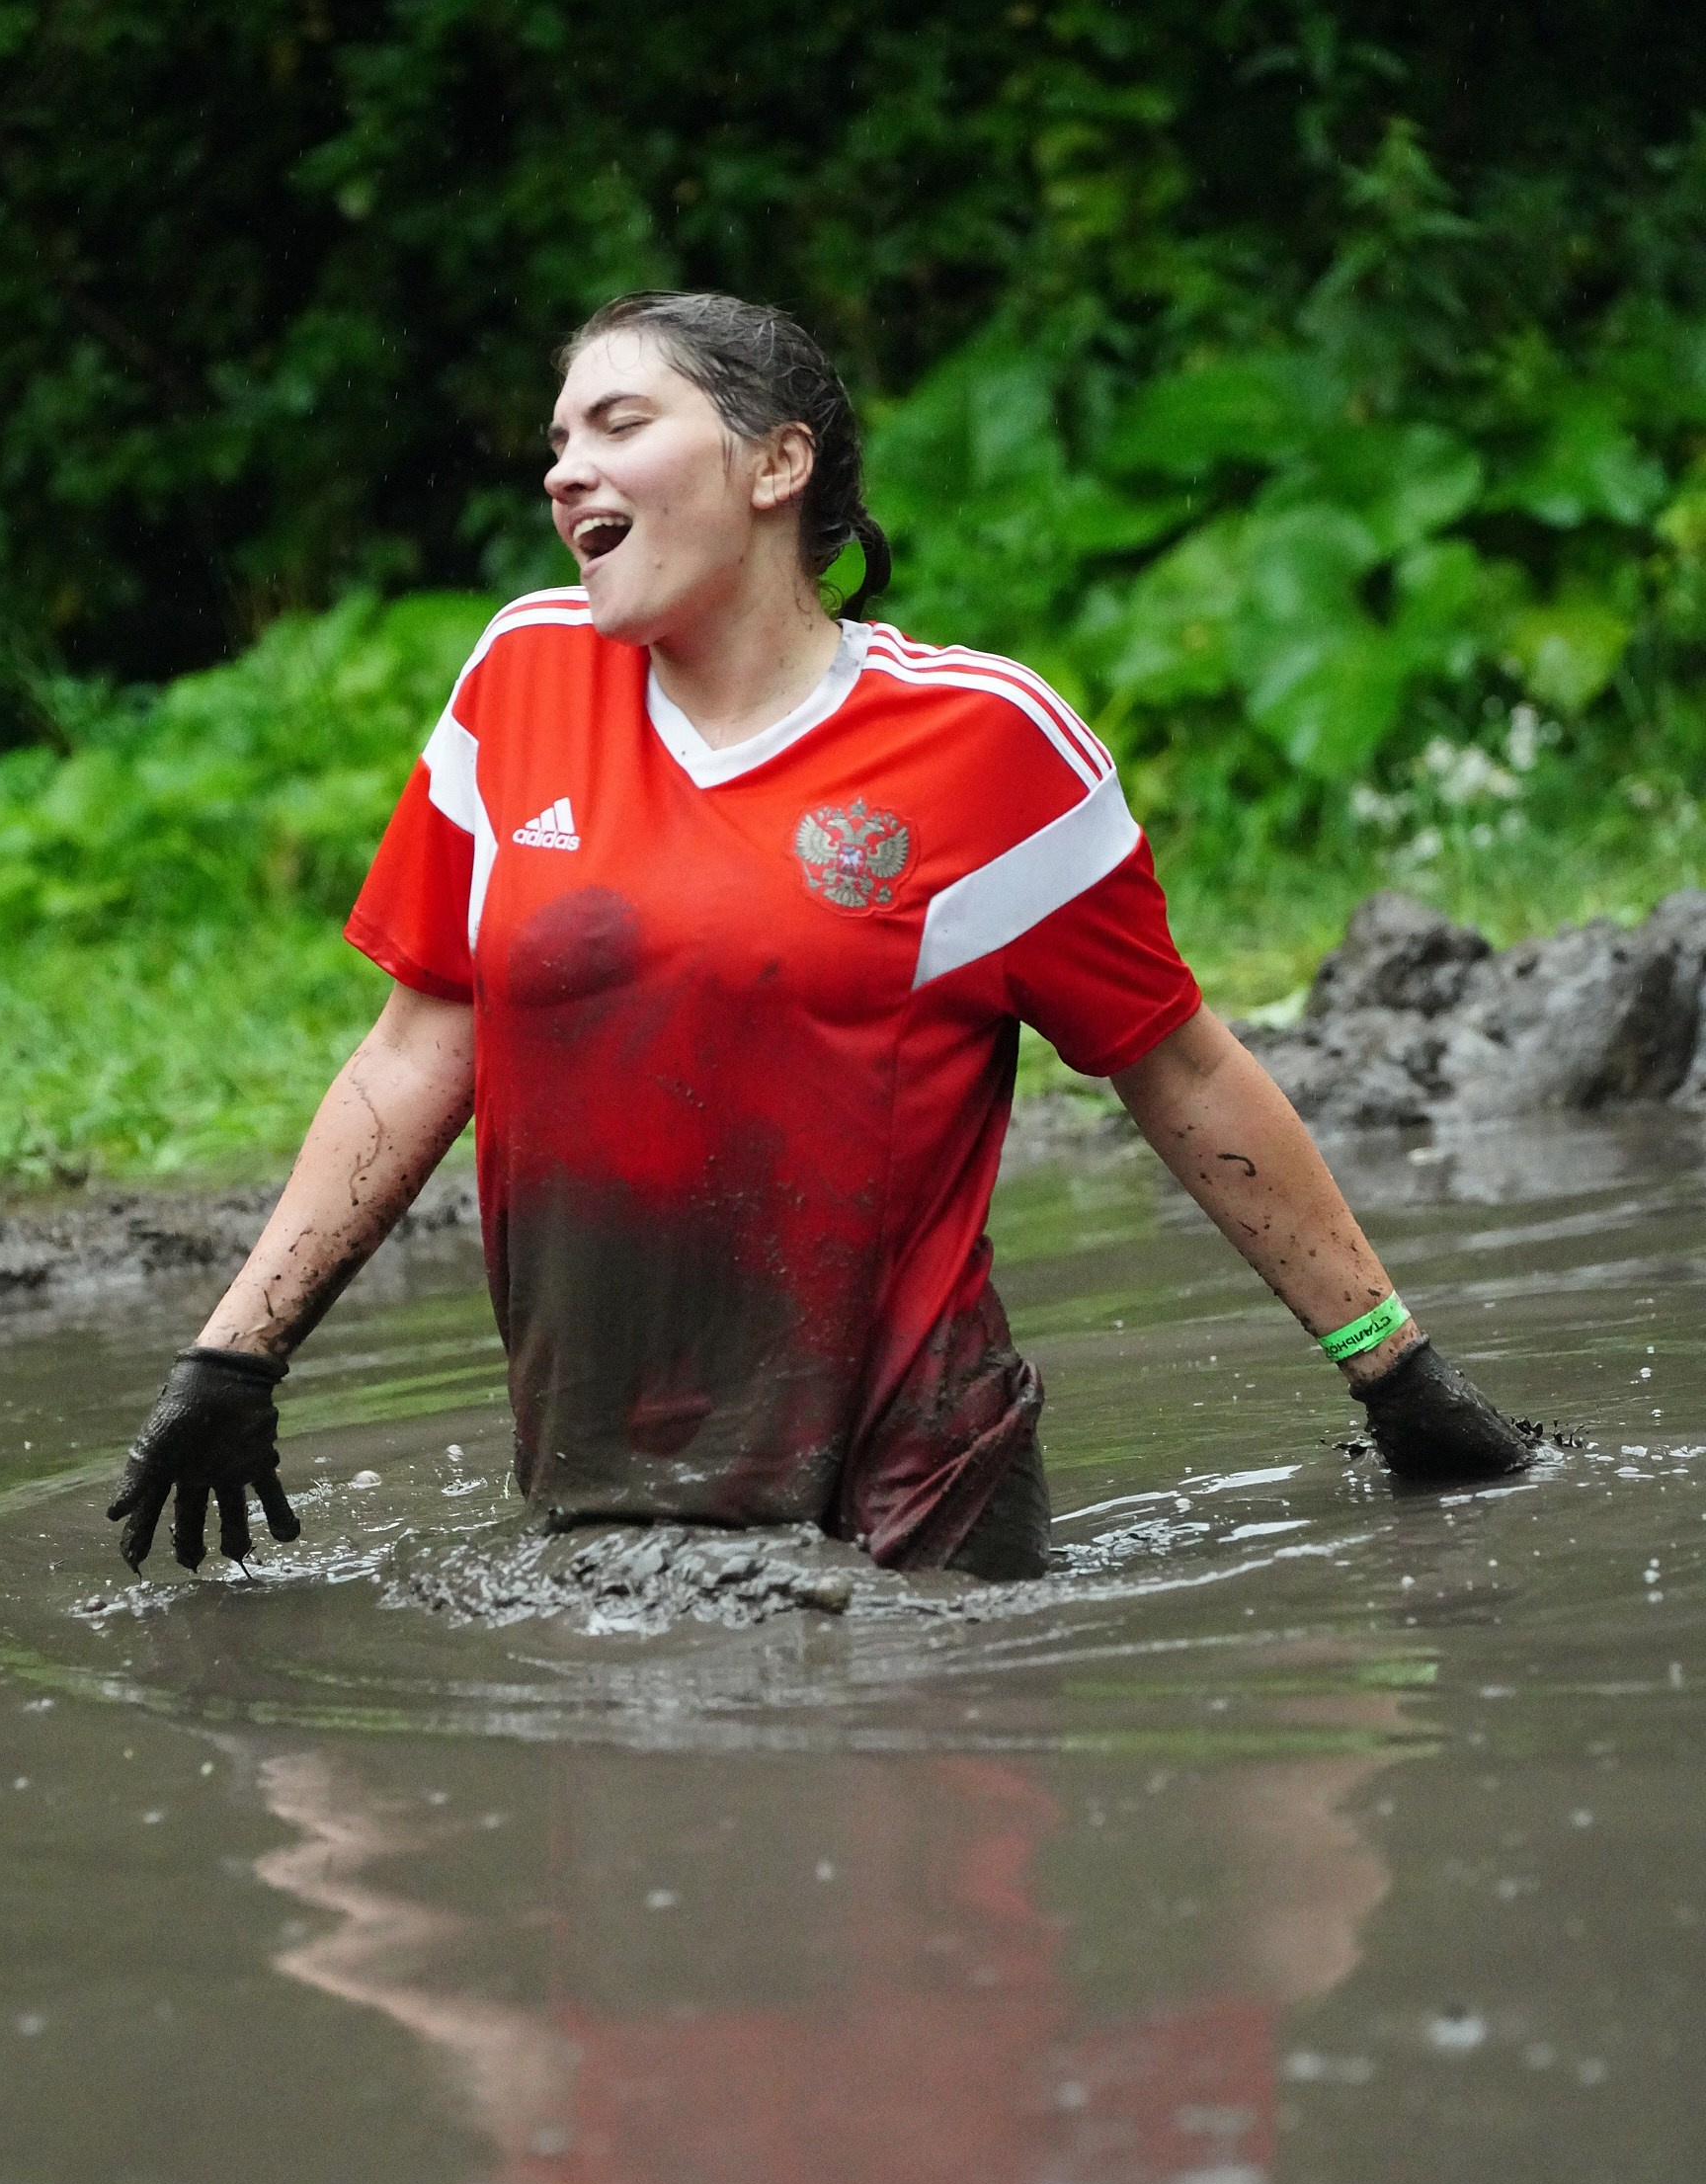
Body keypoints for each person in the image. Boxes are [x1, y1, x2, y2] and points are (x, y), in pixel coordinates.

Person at [109, 292, 1529, 1581]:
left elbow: (1182, 1072)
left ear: (776, 466)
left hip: (918, 1494)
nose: (562, 472)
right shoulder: (518, 682)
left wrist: (1390, 1371)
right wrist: (237, 1354)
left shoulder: (987, 745)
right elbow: (423, 1042)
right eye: (556, 441)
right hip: (608, 1476)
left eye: (620, 423)